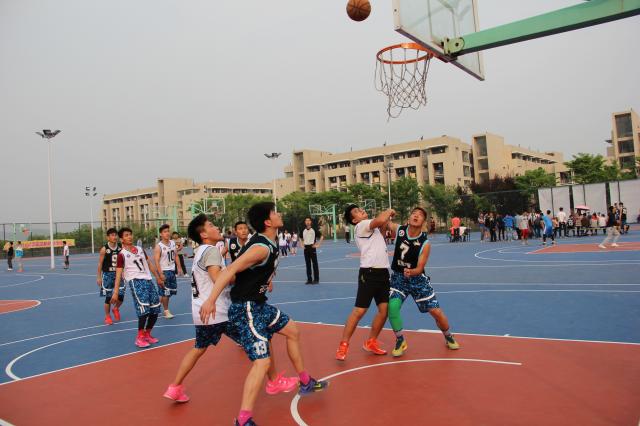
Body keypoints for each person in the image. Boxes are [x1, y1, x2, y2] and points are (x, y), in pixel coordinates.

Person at [198, 202, 328, 426]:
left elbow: (255, 270)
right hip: (246, 308)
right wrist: (210, 300)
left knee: (292, 330)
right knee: (262, 362)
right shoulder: (261, 248)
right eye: (275, 212)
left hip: (258, 304)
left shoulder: (268, 241)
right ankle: (243, 419)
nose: (280, 214)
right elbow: (230, 269)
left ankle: (305, 382)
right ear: (268, 222)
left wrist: (264, 279)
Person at [163, 214, 298, 404]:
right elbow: (219, 278)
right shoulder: (212, 251)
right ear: (203, 234)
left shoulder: (200, 251)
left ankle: (174, 387)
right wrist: (245, 273)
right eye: (211, 225)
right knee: (262, 337)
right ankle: (274, 381)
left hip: (201, 311)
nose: (216, 227)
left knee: (198, 348)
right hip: (220, 311)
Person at [387, 207, 459, 357]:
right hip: (399, 278)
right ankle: (400, 340)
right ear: (409, 217)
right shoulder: (400, 230)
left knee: (436, 312)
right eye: (414, 213)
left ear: (423, 222)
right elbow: (385, 222)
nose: (416, 216)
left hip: (417, 280)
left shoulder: (425, 243)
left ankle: (448, 335)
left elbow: (420, 268)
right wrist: (388, 213)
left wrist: (411, 272)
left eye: (420, 215)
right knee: (392, 307)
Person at [336, 205, 394, 361]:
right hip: (369, 273)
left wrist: (386, 221)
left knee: (384, 311)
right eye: (356, 212)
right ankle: (343, 344)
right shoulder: (361, 225)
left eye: (360, 208)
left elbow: (382, 230)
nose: (361, 210)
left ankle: (371, 342)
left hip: (383, 272)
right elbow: (380, 220)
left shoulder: (371, 227)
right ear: (354, 220)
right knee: (359, 311)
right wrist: (388, 211)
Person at [112, 227, 164, 348]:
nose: (129, 236)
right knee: (143, 310)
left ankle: (147, 334)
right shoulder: (121, 255)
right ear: (121, 239)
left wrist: (157, 277)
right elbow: (118, 274)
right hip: (136, 282)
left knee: (155, 309)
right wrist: (116, 292)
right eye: (126, 235)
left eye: (130, 234)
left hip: (148, 280)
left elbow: (149, 264)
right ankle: (139, 338)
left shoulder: (140, 249)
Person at [154, 224, 184, 319]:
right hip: (164, 271)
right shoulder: (159, 246)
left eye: (168, 231)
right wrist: (160, 274)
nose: (167, 233)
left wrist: (179, 267)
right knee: (166, 292)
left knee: (170, 292)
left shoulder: (172, 243)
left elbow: (175, 255)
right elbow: (156, 261)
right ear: (161, 234)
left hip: (172, 270)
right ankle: (166, 311)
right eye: (165, 232)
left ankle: (157, 304)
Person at [96, 228, 124, 325]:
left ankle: (115, 308)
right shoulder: (104, 249)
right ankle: (107, 316)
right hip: (107, 275)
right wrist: (99, 277)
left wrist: (124, 272)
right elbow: (100, 264)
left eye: (115, 235)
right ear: (108, 237)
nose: (114, 237)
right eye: (112, 235)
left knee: (121, 296)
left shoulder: (120, 247)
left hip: (119, 275)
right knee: (108, 298)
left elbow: (124, 261)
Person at [302, 217, 323, 284]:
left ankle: (316, 279)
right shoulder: (303, 230)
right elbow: (300, 237)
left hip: (312, 247)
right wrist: (302, 245)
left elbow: (321, 236)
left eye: (309, 220)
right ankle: (309, 279)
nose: (307, 222)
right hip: (306, 248)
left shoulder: (314, 230)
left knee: (314, 264)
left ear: (310, 222)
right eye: (306, 220)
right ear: (305, 222)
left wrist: (318, 245)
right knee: (307, 264)